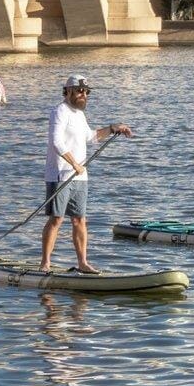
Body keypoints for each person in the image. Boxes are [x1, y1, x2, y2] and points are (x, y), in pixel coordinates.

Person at [41, 75, 133, 273]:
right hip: (60, 174)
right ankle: (45, 264)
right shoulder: (60, 111)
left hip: (80, 176)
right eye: (80, 90)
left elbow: (91, 137)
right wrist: (74, 163)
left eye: (86, 92)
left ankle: (83, 262)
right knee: (56, 219)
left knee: (80, 219)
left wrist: (113, 128)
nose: (84, 94)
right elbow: (57, 142)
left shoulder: (79, 115)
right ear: (68, 91)